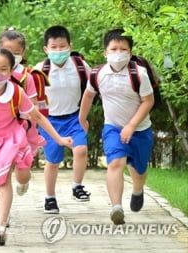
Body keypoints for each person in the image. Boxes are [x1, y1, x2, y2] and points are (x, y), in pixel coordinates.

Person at [0, 48, 73, 246]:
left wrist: (59, 139)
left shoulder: (16, 92)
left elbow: (37, 116)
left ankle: (1, 225)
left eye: (3, 69)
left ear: (10, 72)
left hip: (9, 140)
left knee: (3, 181)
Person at [79, 28, 154, 225]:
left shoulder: (139, 73)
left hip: (140, 130)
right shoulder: (97, 73)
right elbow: (88, 95)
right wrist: (82, 117)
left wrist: (131, 125)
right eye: (114, 48)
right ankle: (116, 207)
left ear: (130, 53)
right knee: (115, 164)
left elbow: (148, 101)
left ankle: (138, 190)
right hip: (112, 128)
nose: (118, 53)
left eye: (123, 49)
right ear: (105, 52)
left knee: (138, 171)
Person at [34, 25, 91, 214]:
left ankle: (77, 186)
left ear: (70, 46)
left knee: (81, 149)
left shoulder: (80, 66)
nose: (58, 51)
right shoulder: (39, 70)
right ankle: (50, 198)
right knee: (53, 160)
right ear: (46, 49)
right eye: (54, 47)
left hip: (74, 118)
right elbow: (31, 100)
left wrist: (83, 116)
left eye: (62, 46)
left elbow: (93, 89)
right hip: (50, 121)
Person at [0, 28, 46, 196]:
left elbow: (34, 105)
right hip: (0, 129)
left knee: (22, 173)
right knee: (4, 167)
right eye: (7, 52)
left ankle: (23, 181)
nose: (11, 56)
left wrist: (28, 119)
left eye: (16, 52)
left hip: (24, 129)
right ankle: (2, 201)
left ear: (23, 52)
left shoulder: (27, 77)